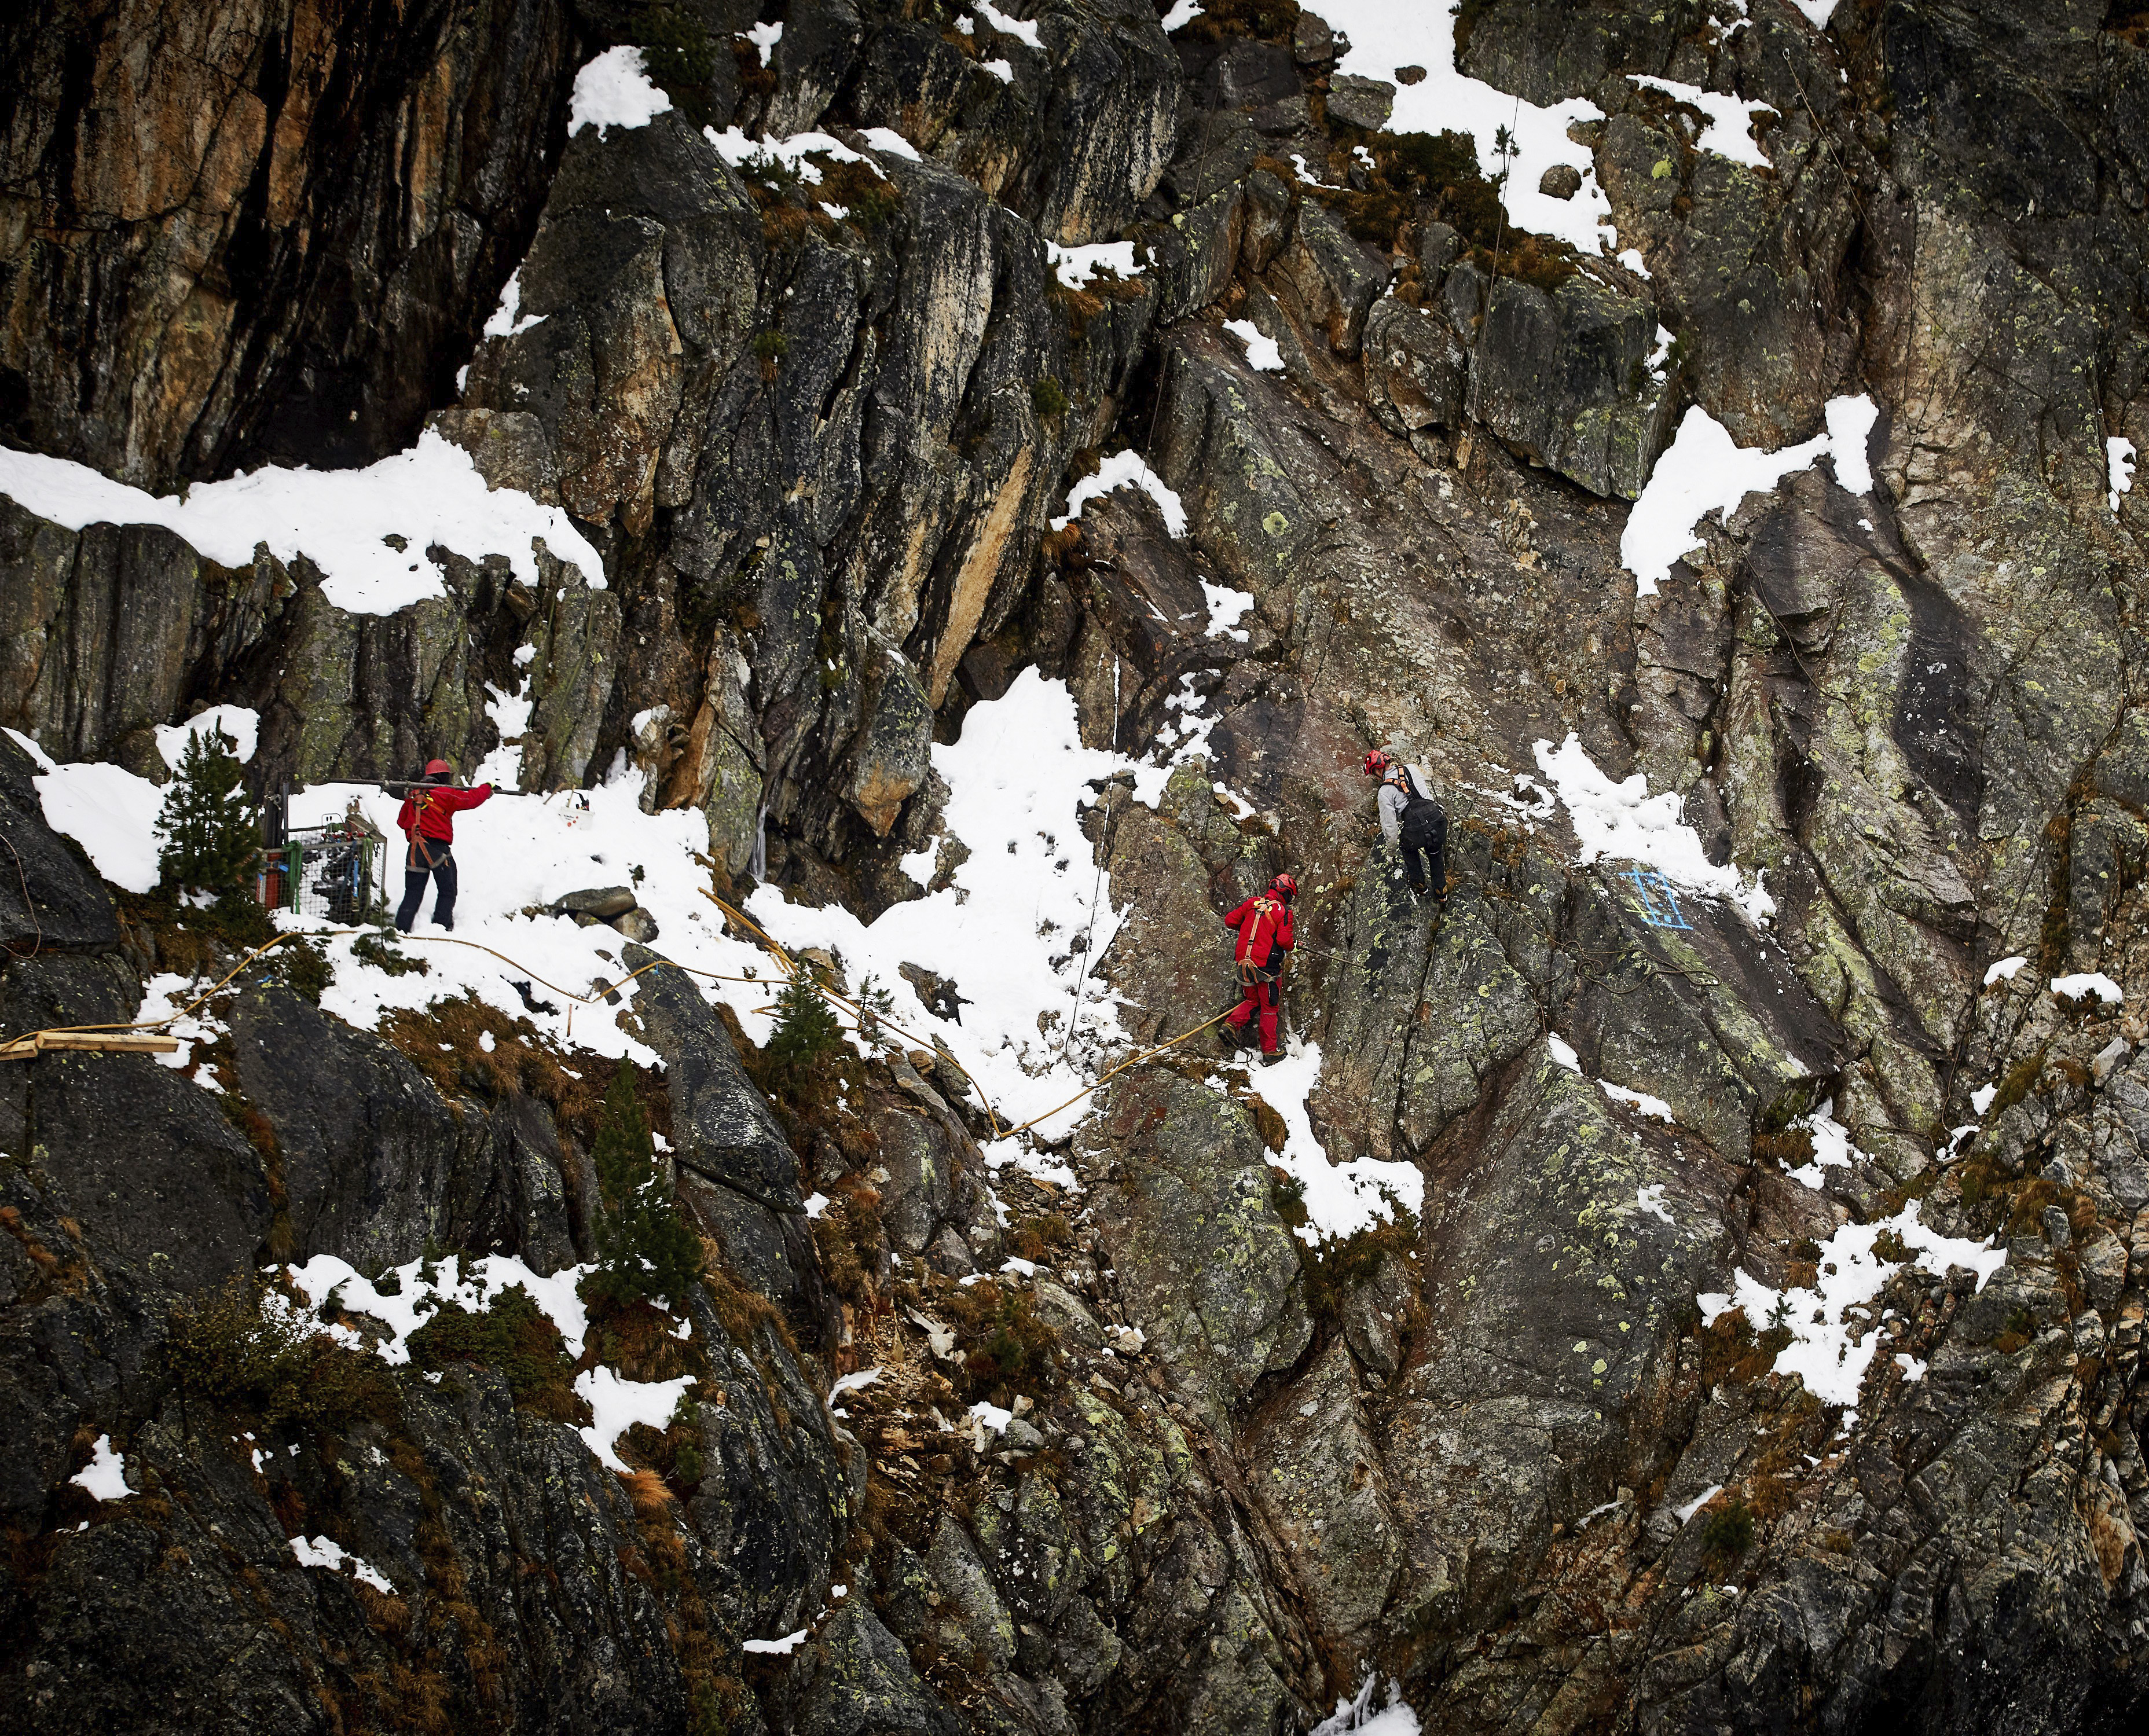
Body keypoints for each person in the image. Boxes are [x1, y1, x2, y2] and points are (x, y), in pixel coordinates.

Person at [395, 760, 493, 933]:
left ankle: (401, 930)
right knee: (448, 890)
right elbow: (471, 798)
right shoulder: (444, 793)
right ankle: (441, 927)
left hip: (414, 850)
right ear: (442, 777)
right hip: (437, 849)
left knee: (413, 893)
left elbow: (402, 821)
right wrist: (487, 787)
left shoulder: (412, 796)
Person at [1219, 873, 1297, 1059]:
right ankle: (1270, 1051)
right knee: (1269, 1007)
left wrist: (1252, 925)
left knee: (1253, 1001)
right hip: (1266, 967)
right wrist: (1293, 945)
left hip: (1243, 963)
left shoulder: (1252, 904)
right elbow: (1285, 941)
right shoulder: (1283, 911)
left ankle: (1230, 1025)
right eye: (1290, 896)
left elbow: (1230, 921)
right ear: (1286, 894)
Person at [1365, 749, 1447, 905]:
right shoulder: (1411, 768)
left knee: (1407, 847)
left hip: (1415, 830)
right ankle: (1441, 891)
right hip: (1437, 820)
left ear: (1377, 770)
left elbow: (1390, 827)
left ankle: (1419, 883)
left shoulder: (1384, 792)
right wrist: (1424, 760)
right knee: (1435, 850)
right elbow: (1429, 774)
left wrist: (1391, 852)